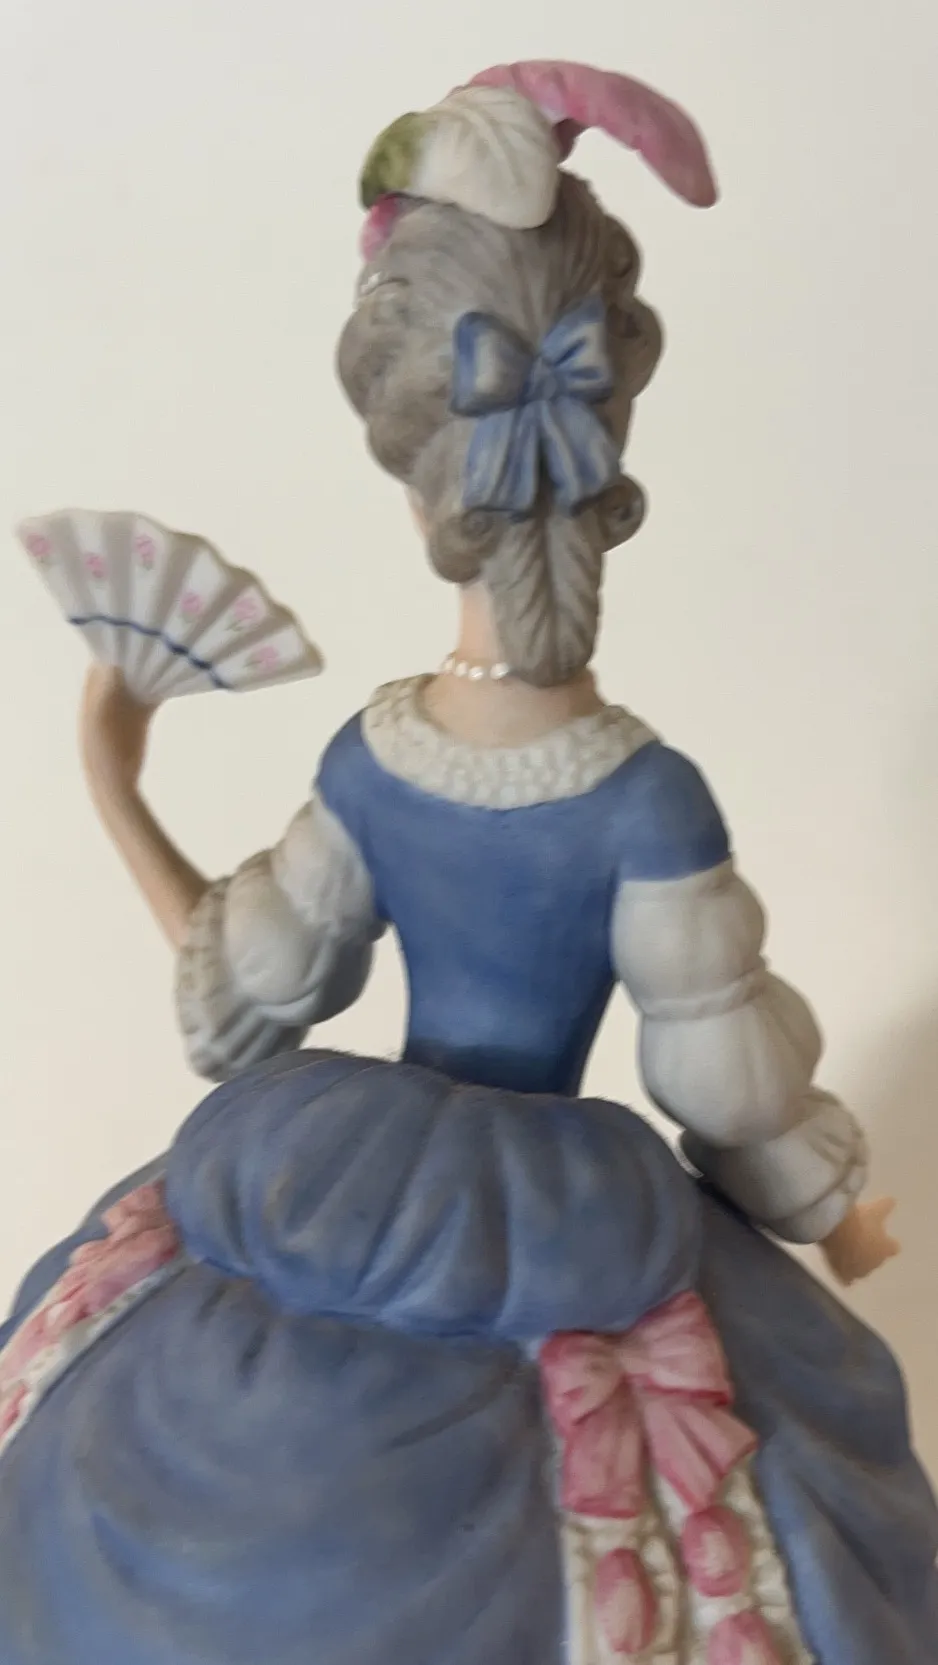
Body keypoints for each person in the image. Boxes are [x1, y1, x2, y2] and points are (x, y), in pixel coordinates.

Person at [0, 61, 934, 1665]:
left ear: (410, 440)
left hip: (344, 1176)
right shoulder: (644, 798)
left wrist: (111, 772)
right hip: (554, 1202)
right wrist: (829, 1210)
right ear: (611, 423)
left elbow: (236, 1003)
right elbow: (725, 1089)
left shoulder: (376, 759)